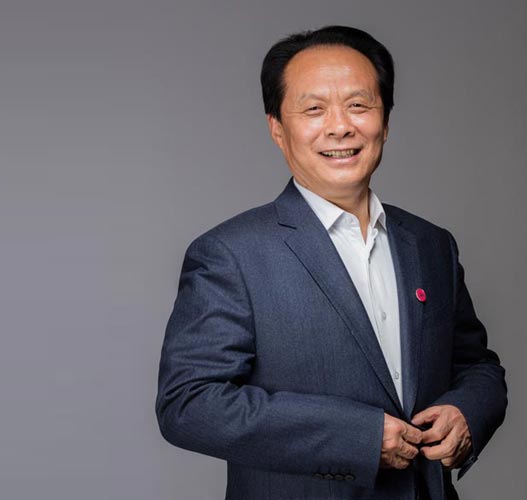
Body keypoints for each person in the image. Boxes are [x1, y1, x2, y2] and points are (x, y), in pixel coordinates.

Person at [155, 25, 507, 500]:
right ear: (277, 128)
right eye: (314, 109)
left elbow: (476, 365)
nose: (340, 127)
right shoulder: (231, 254)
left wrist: (467, 412)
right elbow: (188, 404)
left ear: (386, 120)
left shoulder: (430, 244)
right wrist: (355, 438)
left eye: (359, 105)